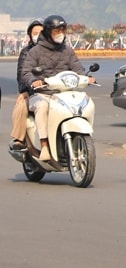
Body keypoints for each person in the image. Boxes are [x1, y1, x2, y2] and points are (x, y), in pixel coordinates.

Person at [17, 15, 93, 162]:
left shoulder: (68, 51)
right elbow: (26, 72)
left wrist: (86, 77)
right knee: (42, 106)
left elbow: (77, 68)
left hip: (64, 93)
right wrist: (34, 81)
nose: (60, 34)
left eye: (62, 30)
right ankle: (44, 145)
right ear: (48, 32)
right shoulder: (35, 51)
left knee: (84, 102)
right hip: (42, 94)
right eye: (56, 31)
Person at [9, 19, 43, 151]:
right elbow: (22, 74)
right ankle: (19, 138)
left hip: (53, 89)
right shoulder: (26, 52)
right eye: (35, 33)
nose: (38, 35)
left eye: (41, 32)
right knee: (21, 104)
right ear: (30, 35)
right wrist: (25, 90)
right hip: (33, 90)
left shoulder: (55, 50)